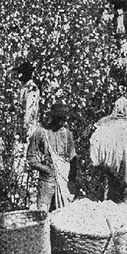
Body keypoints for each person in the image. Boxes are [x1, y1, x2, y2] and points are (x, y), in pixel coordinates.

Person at [28, 103, 77, 211]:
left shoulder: (67, 134)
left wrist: (73, 179)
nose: (62, 122)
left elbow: (72, 157)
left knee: (64, 213)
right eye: (59, 118)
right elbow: (31, 157)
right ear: (53, 117)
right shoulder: (41, 132)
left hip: (64, 179)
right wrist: (45, 169)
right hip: (47, 180)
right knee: (43, 212)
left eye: (64, 119)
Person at [10, 61, 41, 209]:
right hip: (20, 129)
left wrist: (23, 128)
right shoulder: (23, 88)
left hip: (26, 131)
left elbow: (29, 112)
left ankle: (27, 199)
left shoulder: (31, 89)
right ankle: (18, 197)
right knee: (18, 162)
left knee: (24, 160)